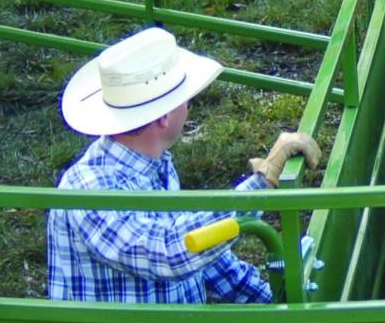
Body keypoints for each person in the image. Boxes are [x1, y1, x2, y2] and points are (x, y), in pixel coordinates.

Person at [46, 27, 320, 304]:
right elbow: (167, 252)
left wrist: (278, 305)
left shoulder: (153, 167)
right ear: (164, 116)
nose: (189, 105)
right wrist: (262, 182)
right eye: (185, 98)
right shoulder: (88, 189)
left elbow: (204, 259)